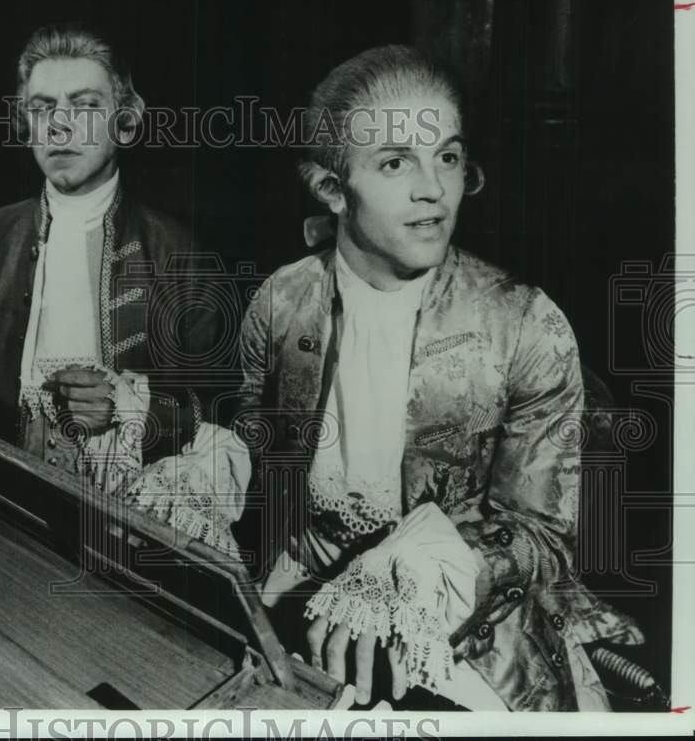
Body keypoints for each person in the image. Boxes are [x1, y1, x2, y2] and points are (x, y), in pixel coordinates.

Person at [233, 44, 644, 710]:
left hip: (471, 644)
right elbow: (257, 449)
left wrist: (419, 568)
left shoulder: (526, 323)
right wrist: (204, 467)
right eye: (396, 162)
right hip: (301, 614)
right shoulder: (281, 302)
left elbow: (542, 536)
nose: (433, 188)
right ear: (332, 189)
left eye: (447, 156)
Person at [0, 23, 221, 489]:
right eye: (41, 107)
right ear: (24, 122)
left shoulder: (180, 250)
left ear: (126, 121)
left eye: (86, 105)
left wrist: (130, 406)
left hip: (129, 513)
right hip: (2, 496)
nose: (60, 124)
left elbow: (217, 412)